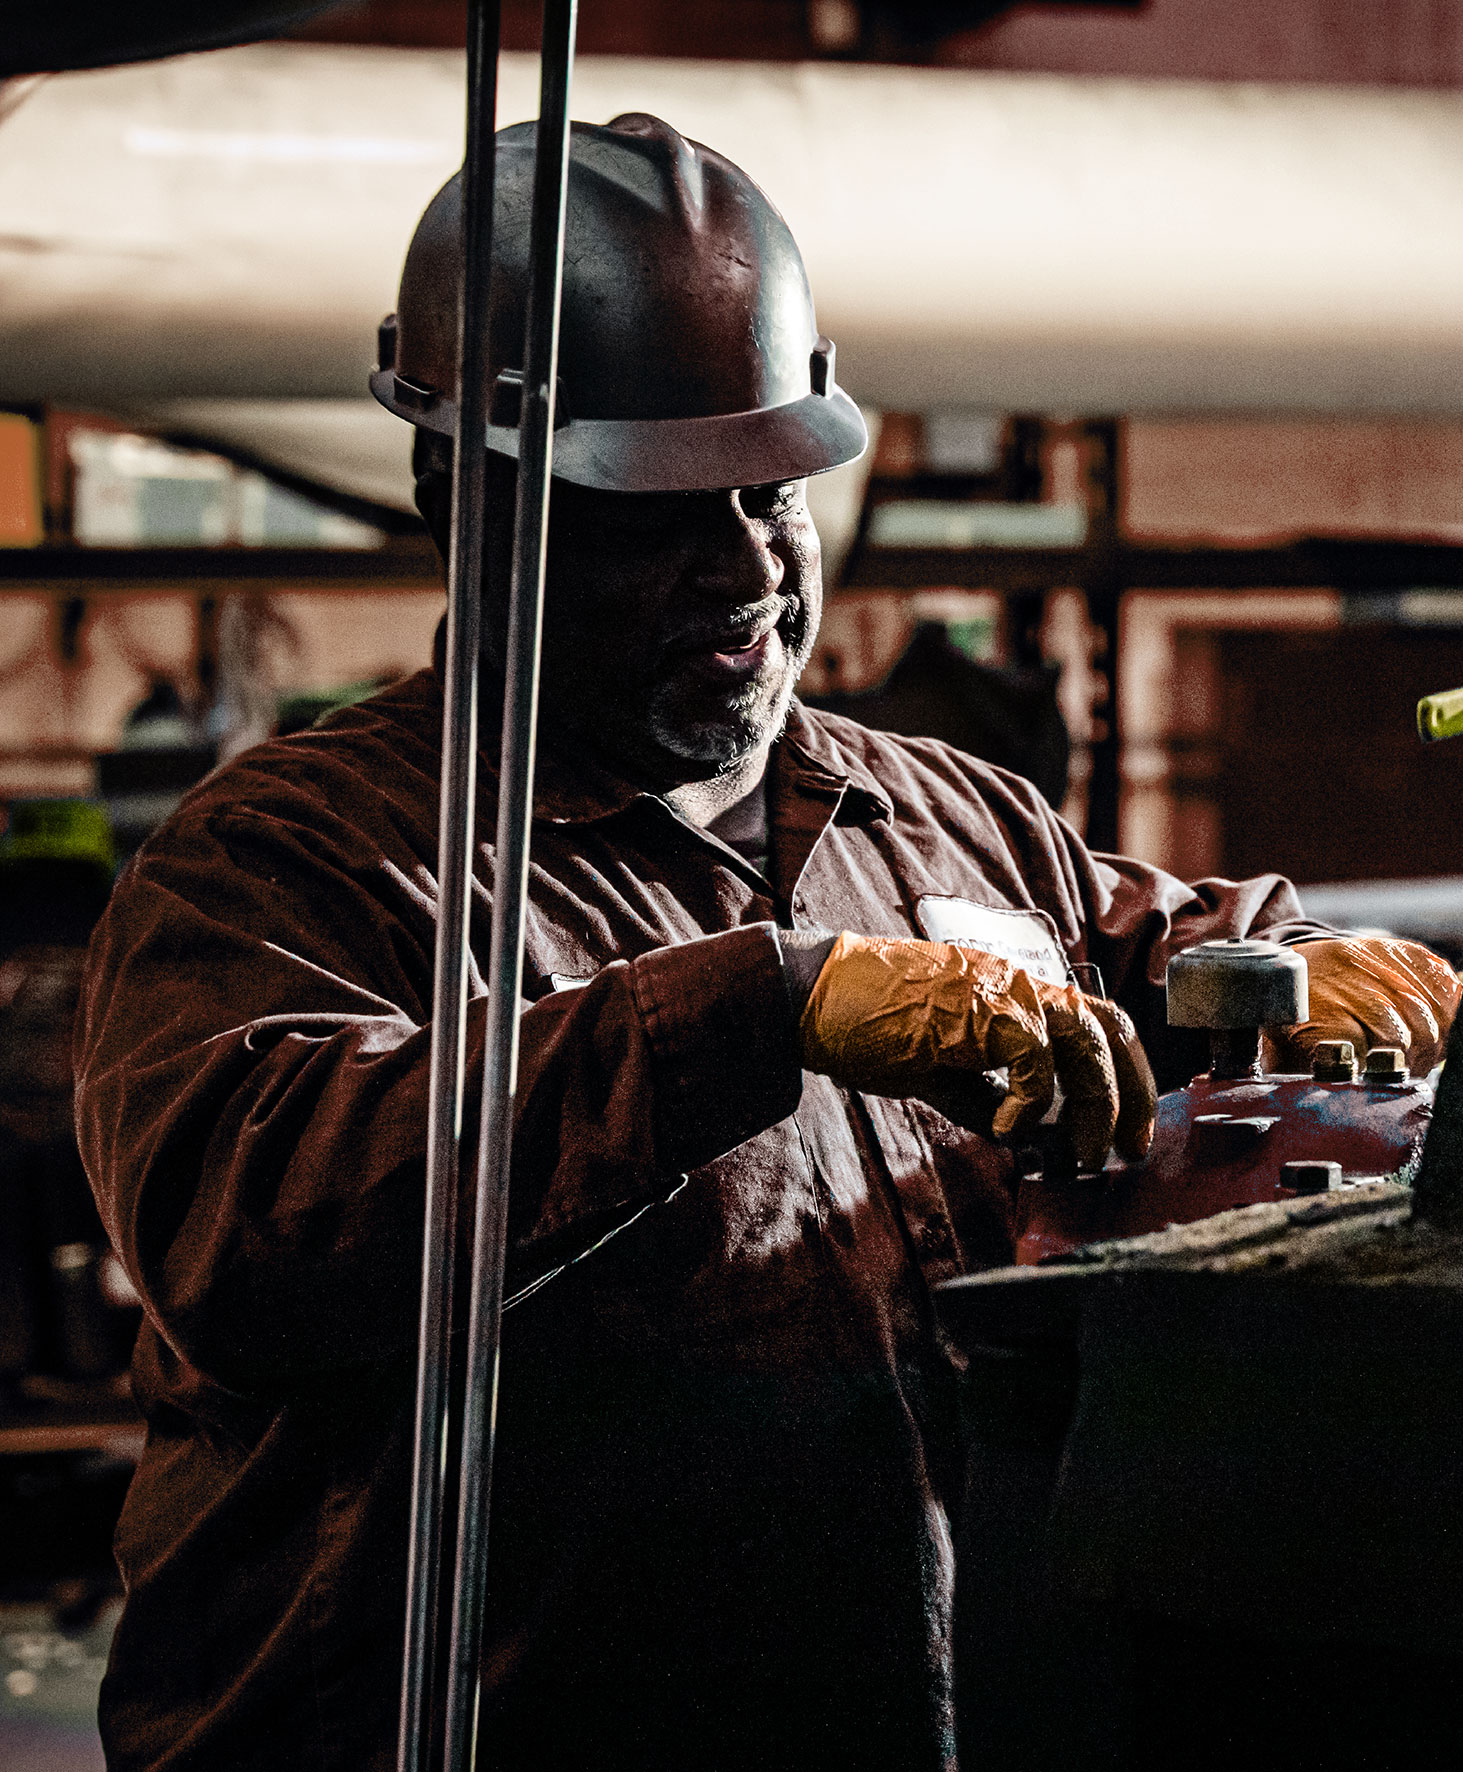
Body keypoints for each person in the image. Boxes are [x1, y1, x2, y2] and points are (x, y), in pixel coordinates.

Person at [74, 115, 1459, 1772]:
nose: (744, 567)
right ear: (463, 493)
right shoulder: (292, 865)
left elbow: (1159, 945)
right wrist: (759, 1008)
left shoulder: (938, 818)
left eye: (778, 491)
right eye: (657, 508)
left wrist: (1299, 965)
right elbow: (252, 1226)